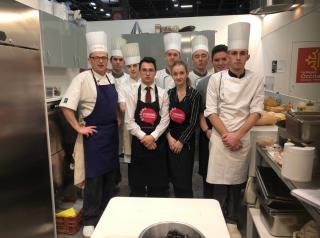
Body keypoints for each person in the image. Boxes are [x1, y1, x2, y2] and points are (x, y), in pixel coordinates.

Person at [204, 22, 264, 238]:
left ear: (248, 56)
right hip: (221, 139)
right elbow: (211, 111)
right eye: (234, 53)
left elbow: (256, 111)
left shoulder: (256, 79)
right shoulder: (215, 79)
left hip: (242, 138)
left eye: (242, 53)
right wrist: (228, 135)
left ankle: (232, 222)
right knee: (219, 184)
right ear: (228, 56)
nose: (238, 57)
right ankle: (217, 221)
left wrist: (237, 136)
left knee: (237, 183)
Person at [59, 31, 119, 238]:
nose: (101, 62)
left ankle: (107, 213)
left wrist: (117, 118)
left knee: (110, 178)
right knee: (93, 180)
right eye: (97, 58)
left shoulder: (110, 77)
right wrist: (78, 127)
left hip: (111, 135)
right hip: (93, 137)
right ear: (90, 59)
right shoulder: (82, 79)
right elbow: (66, 106)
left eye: (104, 58)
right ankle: (90, 220)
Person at [125, 57, 170, 197]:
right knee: (137, 188)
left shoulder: (163, 94)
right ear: (139, 72)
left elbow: (165, 119)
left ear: (155, 72)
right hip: (139, 145)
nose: (147, 73)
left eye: (151, 70)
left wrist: (153, 137)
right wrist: (145, 137)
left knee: (158, 189)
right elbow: (129, 121)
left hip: (158, 145)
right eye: (144, 70)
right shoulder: (132, 93)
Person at [196, 44, 229, 198]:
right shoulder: (203, 84)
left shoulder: (237, 83)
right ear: (212, 62)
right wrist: (207, 131)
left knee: (228, 172)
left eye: (224, 59)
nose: (221, 63)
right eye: (217, 60)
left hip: (230, 132)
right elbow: (200, 112)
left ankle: (227, 206)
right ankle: (208, 203)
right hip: (208, 133)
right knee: (207, 172)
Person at [166, 60, 201, 198]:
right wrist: (169, 138)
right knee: (174, 177)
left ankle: (187, 207)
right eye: (175, 74)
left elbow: (193, 123)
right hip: (170, 140)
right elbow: (164, 119)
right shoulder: (169, 94)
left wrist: (180, 142)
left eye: (181, 73)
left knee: (185, 180)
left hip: (186, 143)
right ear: (172, 76)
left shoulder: (194, 95)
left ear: (187, 74)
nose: (179, 76)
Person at [109, 36, 128, 188]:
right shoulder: (106, 78)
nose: (117, 62)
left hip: (127, 120)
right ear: (111, 60)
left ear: (124, 61)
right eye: (114, 59)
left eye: (120, 59)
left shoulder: (129, 79)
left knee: (127, 150)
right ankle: (114, 181)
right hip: (111, 120)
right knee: (113, 151)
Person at [118, 42, 141, 167]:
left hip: (146, 124)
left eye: (135, 65)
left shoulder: (147, 81)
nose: (132, 69)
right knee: (131, 160)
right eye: (129, 66)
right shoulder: (123, 84)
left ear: (139, 65)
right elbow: (122, 107)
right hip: (129, 126)